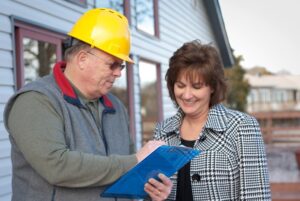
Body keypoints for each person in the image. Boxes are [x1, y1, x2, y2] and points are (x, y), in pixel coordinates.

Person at [4, 8, 172, 201]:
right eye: (112, 64)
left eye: (121, 66)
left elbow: (128, 173)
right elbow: (57, 166)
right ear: (82, 59)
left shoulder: (116, 108)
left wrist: (152, 190)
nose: (118, 73)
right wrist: (135, 160)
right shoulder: (36, 100)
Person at [153, 40, 271, 200]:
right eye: (180, 85)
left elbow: (256, 196)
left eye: (196, 86)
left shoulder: (242, 127)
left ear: (213, 87)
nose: (187, 95)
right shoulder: (163, 130)